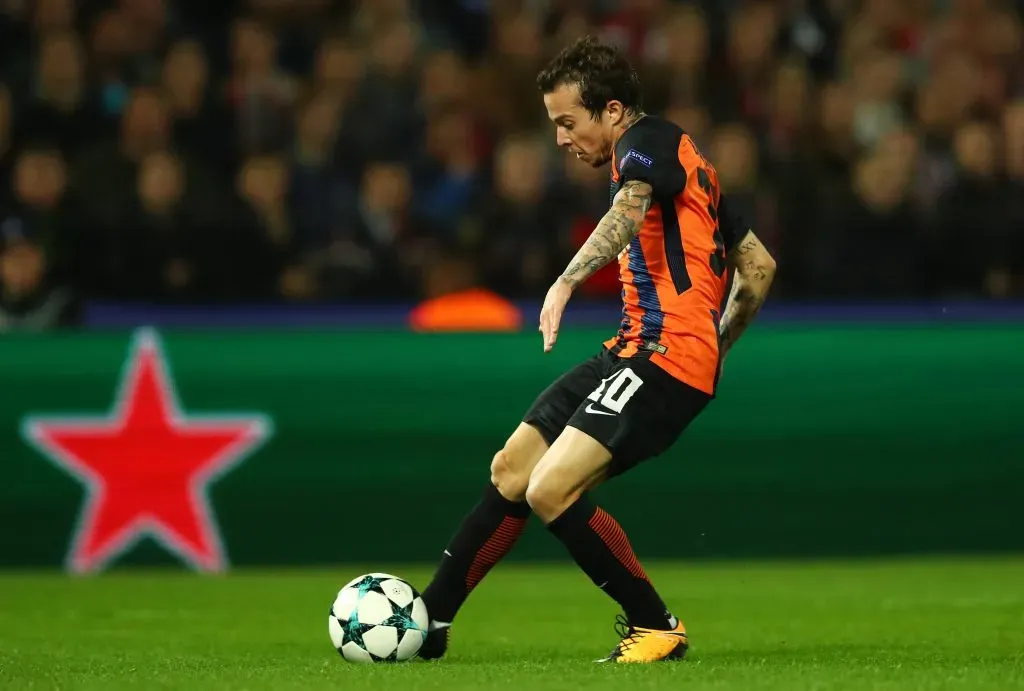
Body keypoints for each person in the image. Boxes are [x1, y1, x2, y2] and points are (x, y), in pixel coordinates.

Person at [418, 35, 777, 664]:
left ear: (612, 111)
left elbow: (629, 212)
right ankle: (431, 621)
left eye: (566, 121)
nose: (559, 138)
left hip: (662, 355)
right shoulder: (692, 167)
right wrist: (718, 346)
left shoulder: (647, 142)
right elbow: (759, 267)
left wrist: (566, 281)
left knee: (550, 488)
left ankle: (656, 625)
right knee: (513, 468)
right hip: (635, 349)